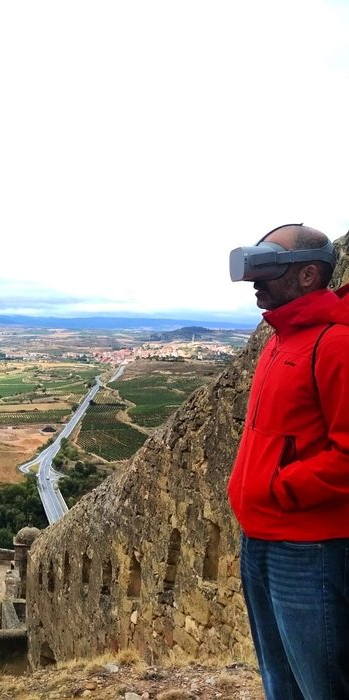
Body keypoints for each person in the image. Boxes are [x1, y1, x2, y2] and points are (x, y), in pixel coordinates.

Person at [227, 223, 349, 699]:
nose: (256, 281)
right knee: (279, 681)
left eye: (269, 268)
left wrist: (281, 488)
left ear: (307, 276)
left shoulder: (334, 345)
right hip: (258, 538)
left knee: (322, 685)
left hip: (309, 549)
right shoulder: (279, 339)